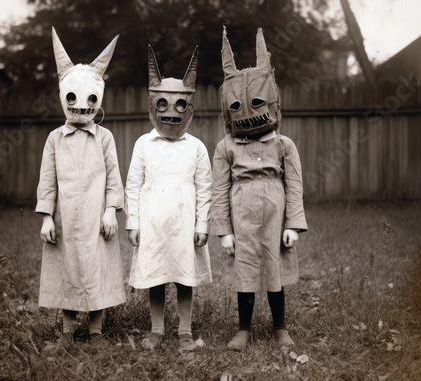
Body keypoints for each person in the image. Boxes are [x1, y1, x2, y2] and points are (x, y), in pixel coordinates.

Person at [211, 27, 308, 351]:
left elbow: (294, 185)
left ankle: (280, 326)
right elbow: (218, 190)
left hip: (274, 217)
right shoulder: (225, 147)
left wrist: (293, 223)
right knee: (246, 268)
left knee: (274, 266)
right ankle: (244, 329)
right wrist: (224, 231)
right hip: (242, 218)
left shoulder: (283, 145)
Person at [36, 28, 126, 346]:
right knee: (67, 270)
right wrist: (47, 216)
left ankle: (96, 330)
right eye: (72, 97)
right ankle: (67, 332)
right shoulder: (55, 140)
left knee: (98, 269)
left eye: (89, 98)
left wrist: (111, 211)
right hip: (65, 220)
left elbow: (114, 178)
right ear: (63, 96)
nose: (80, 106)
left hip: (96, 219)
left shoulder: (104, 138)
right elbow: (47, 181)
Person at [125, 45, 212, 352]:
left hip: (185, 222)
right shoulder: (143, 144)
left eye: (179, 105)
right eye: (163, 104)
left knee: (185, 277)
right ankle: (156, 328)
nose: (172, 113)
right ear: (153, 105)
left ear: (188, 107)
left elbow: (205, 187)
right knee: (156, 276)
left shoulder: (196, 147)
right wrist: (132, 223)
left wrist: (203, 224)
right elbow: (133, 184)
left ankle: (185, 329)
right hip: (153, 222)